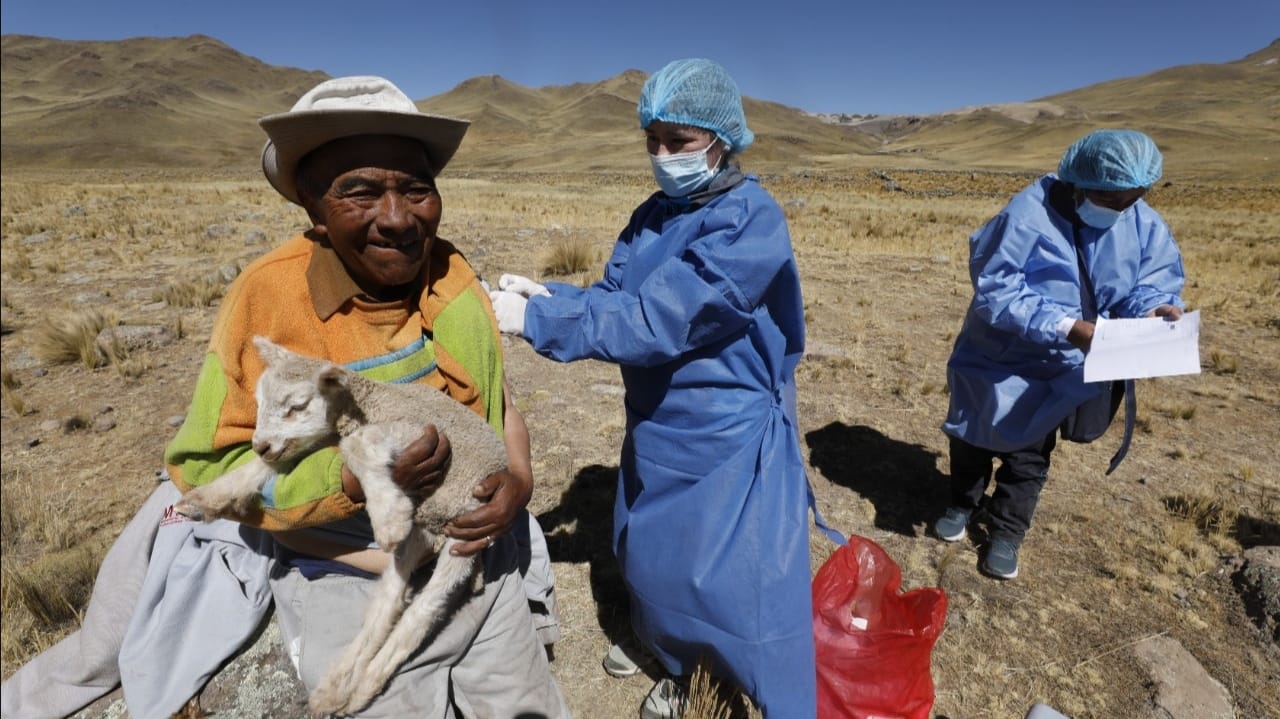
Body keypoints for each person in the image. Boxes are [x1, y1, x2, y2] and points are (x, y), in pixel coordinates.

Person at [2, 75, 568, 719]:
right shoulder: (268, 300)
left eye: (416, 188)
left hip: (473, 557)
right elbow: (207, 468)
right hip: (347, 570)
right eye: (359, 191)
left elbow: (501, 407)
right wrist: (353, 481)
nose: (398, 218)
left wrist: (517, 482)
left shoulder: (453, 274)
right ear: (311, 204)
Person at [489, 58, 816, 719]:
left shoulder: (750, 221)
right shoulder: (652, 215)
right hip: (658, 421)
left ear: (721, 139)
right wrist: (553, 294)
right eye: (653, 141)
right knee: (656, 557)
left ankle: (722, 682)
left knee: (726, 579)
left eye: (679, 142)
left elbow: (661, 317)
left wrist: (539, 322)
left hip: (726, 433)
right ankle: (676, 659)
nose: (662, 156)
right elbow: (618, 296)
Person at [935, 129, 1186, 580]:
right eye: (1110, 199)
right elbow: (996, 289)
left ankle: (1008, 531)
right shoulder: (1027, 214)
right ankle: (962, 504)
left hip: (1061, 366)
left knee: (1030, 452)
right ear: (1081, 183)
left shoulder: (1141, 222)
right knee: (972, 436)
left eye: (1132, 199)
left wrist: (1153, 309)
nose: (1120, 210)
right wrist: (1067, 326)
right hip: (998, 354)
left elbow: (1148, 279)